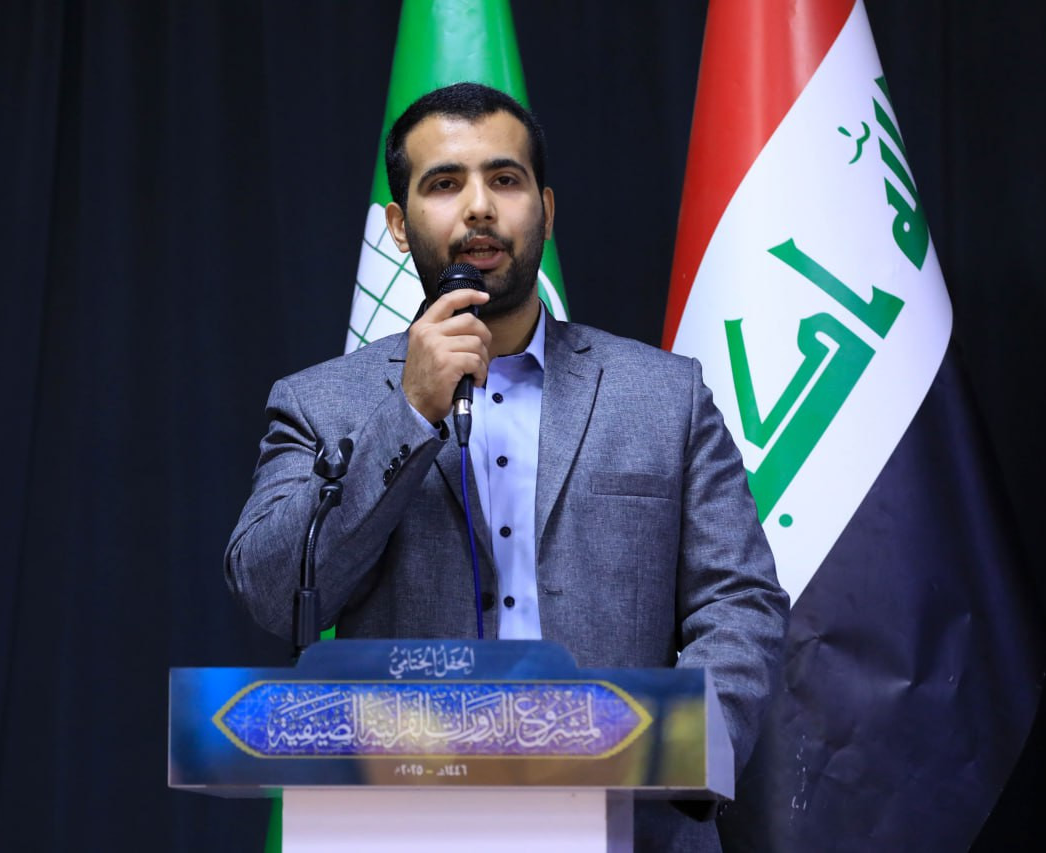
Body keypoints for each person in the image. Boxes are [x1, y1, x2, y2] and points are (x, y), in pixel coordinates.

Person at [225, 82, 788, 850]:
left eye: (505, 179)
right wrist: (409, 412)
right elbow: (273, 590)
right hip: (403, 827)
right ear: (398, 225)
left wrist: (681, 751)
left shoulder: (665, 396)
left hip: (630, 825)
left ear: (545, 210)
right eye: (444, 184)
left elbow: (741, 599)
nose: (479, 207)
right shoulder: (319, 402)